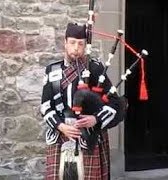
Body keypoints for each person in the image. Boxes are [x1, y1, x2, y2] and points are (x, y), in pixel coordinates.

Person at [41, 22, 124, 180]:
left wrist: (95, 119)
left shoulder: (96, 69)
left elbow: (114, 103)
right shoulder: (52, 71)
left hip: (88, 136)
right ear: (65, 43)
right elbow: (45, 106)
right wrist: (61, 126)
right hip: (60, 136)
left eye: (81, 43)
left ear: (86, 46)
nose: (76, 48)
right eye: (72, 43)